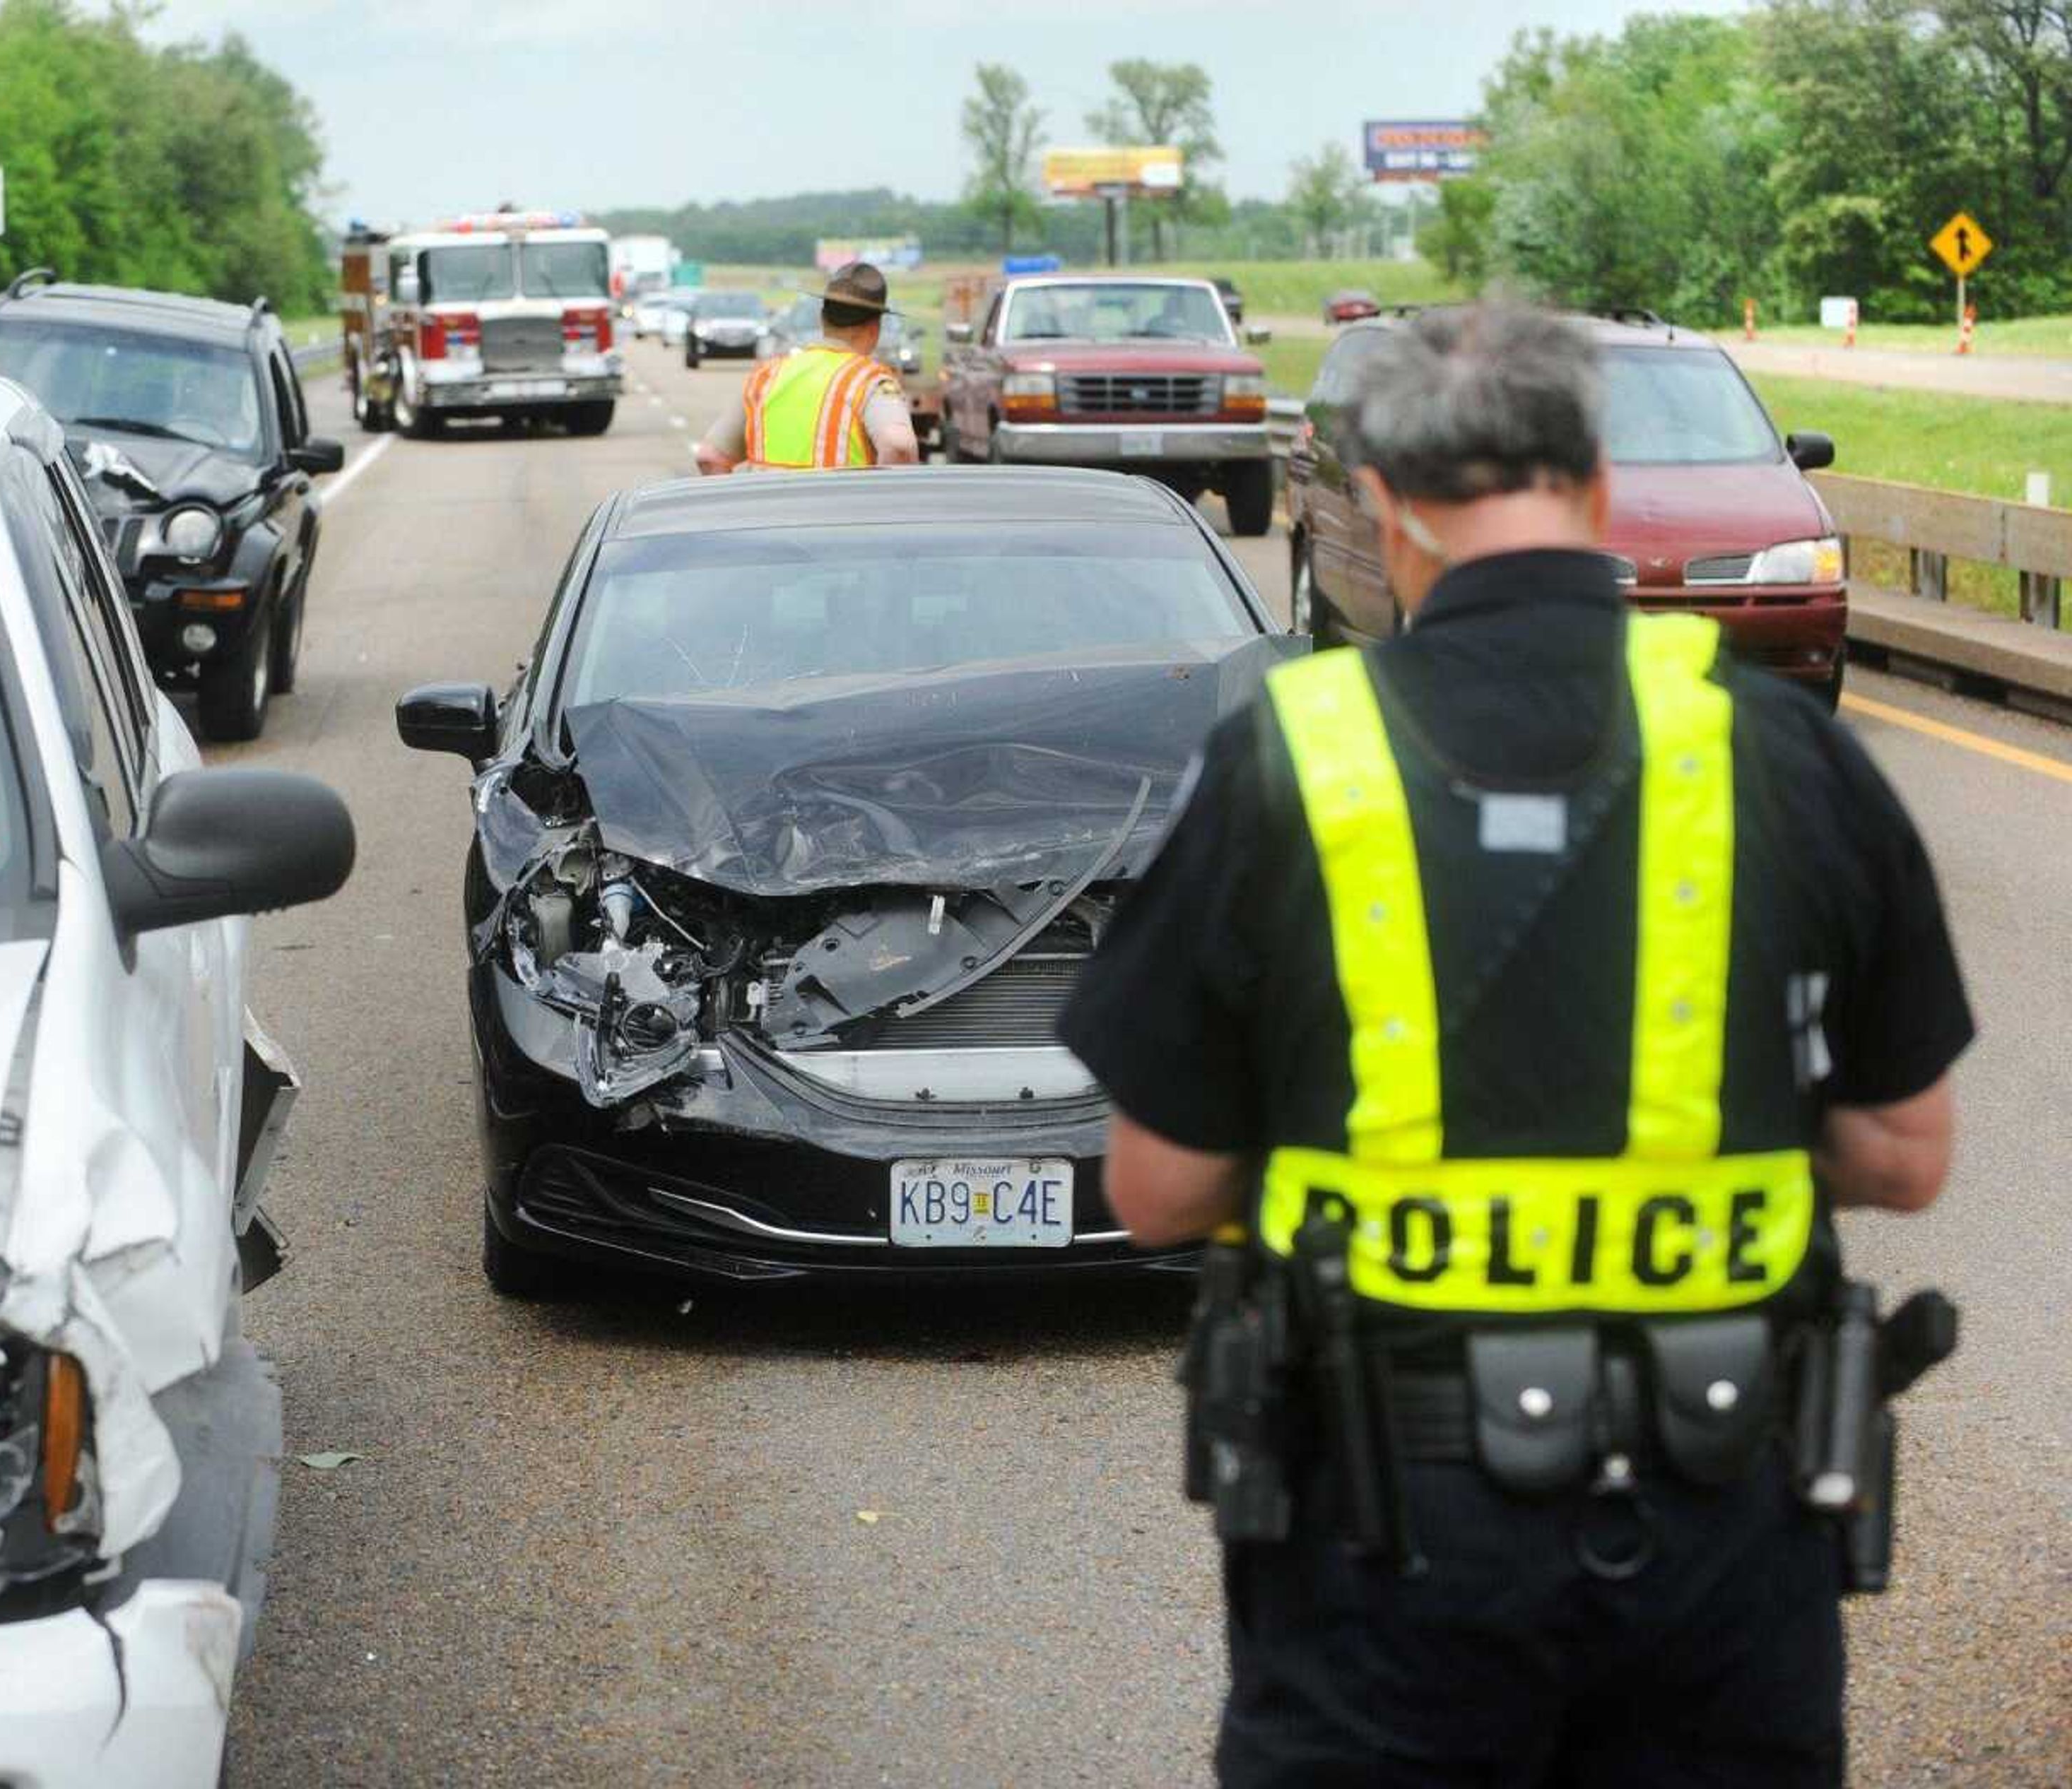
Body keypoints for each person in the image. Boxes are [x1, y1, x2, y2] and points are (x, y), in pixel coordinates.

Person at [1057, 301, 1972, 1787]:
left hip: (1385, 1524)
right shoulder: (1777, 747)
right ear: (1596, 485)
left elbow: (1159, 1191)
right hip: (1723, 1512)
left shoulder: (1288, 753)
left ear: (1387, 509)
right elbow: (1904, 1154)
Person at [692, 261, 918, 474]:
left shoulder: (767, 376)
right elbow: (898, 445)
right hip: (839, 514)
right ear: (874, 328)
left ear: (822, 319)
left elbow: (710, 457)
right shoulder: (869, 381)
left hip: (765, 515)